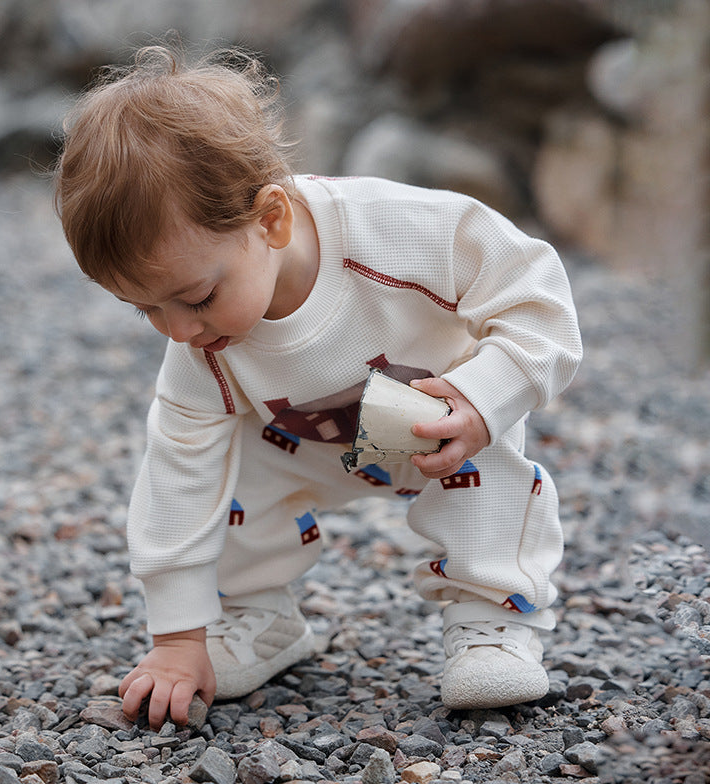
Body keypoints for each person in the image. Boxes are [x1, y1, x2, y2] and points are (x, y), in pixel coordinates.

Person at [54, 44, 582, 730]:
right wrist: (177, 642)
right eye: (147, 309)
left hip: (436, 420)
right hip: (297, 439)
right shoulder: (203, 350)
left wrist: (487, 394)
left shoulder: (397, 233)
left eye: (196, 297)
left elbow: (535, 293)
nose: (177, 331)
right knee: (221, 470)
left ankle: (491, 618)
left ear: (270, 220)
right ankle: (255, 614)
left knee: (492, 462)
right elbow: (175, 484)